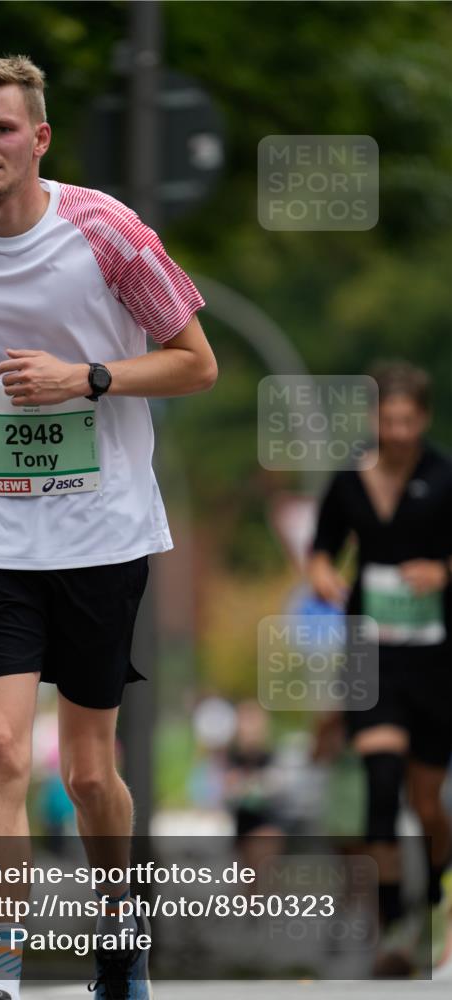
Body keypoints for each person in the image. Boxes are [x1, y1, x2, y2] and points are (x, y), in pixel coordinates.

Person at [0, 55, 217, 999]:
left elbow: (196, 364)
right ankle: (2, 971)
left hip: (99, 535)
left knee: (85, 772)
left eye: (1, 128)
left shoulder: (106, 231)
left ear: (39, 138)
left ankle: (120, 943)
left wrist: (88, 377)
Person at [308, 361, 452, 971]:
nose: (397, 432)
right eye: (387, 420)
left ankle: (436, 901)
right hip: (369, 652)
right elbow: (321, 549)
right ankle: (393, 927)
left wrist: (443, 571)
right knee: (381, 783)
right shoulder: (348, 480)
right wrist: (322, 576)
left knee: (425, 801)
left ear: (423, 419)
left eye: (407, 421)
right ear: (373, 418)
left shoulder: (444, 476)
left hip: (434, 657)